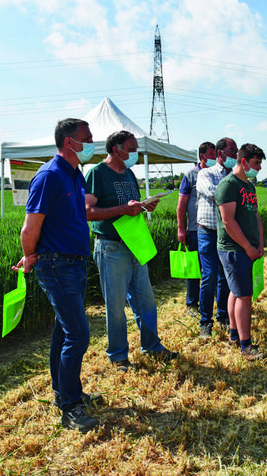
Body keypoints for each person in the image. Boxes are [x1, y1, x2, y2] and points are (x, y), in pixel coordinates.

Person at [13, 118, 101, 433]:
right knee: (78, 334)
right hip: (55, 264)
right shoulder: (49, 176)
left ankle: (64, 393)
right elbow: (30, 226)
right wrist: (30, 255)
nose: (92, 143)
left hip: (74, 263)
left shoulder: (75, 175)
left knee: (64, 332)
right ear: (68, 142)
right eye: (87, 138)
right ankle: (70, 407)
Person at [84, 130, 178, 373]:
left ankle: (152, 345)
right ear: (116, 149)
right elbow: (87, 212)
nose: (135, 153)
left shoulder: (129, 174)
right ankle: (118, 356)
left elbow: (131, 206)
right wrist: (122, 210)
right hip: (111, 247)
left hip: (135, 243)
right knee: (115, 306)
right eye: (131, 147)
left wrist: (145, 206)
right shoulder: (96, 173)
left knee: (146, 300)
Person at [215, 143, 267, 361]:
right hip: (234, 249)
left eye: (260, 164)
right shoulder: (229, 185)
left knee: (236, 292)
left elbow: (255, 216)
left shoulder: (250, 186)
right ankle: (246, 346)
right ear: (243, 161)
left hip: (248, 247)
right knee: (245, 296)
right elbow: (228, 221)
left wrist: (260, 243)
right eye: (256, 163)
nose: (259, 168)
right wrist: (247, 247)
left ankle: (235, 336)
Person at [195, 137, 238, 339]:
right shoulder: (206, 173)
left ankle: (223, 316)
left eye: (236, 152)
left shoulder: (237, 176)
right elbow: (215, 194)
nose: (235, 156)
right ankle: (205, 321)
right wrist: (233, 196)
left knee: (225, 277)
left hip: (227, 233)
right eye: (231, 152)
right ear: (220, 154)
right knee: (210, 276)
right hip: (208, 232)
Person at [176, 141, 217, 316]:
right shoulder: (190, 175)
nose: (214, 158)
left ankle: (216, 301)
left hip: (212, 228)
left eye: (216, 155)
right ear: (202, 156)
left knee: (213, 268)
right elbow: (181, 204)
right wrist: (181, 228)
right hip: (193, 229)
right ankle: (192, 304)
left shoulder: (217, 174)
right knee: (193, 269)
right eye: (211, 155)